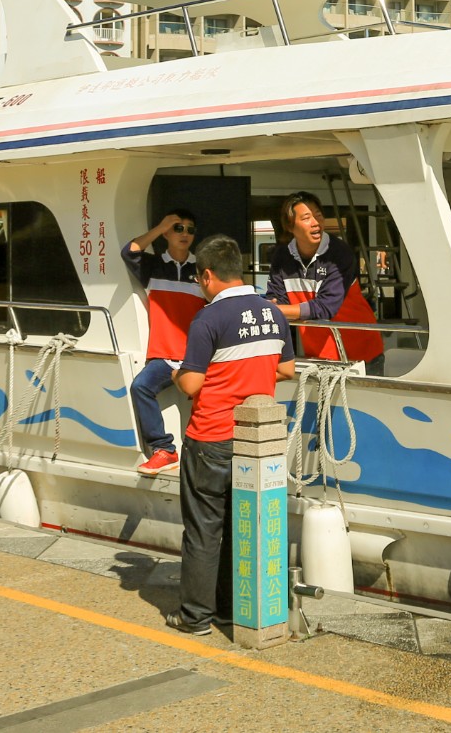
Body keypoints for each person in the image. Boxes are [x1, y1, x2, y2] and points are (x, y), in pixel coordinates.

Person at [168, 234, 293, 636]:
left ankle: (195, 617)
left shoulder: (208, 319)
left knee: (205, 530)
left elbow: (190, 384)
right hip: (254, 442)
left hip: (210, 438)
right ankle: (228, 609)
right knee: (241, 525)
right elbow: (287, 370)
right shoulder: (273, 313)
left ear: (206, 275)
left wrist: (175, 371)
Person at [121, 209, 203, 475]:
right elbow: (129, 252)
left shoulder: (202, 269)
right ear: (167, 233)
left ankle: (207, 455)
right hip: (164, 356)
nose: (185, 234)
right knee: (140, 387)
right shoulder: (153, 266)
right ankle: (164, 449)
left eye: (190, 230)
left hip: (198, 357)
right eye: (178, 228)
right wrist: (160, 226)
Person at [266, 192, 384, 366]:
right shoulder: (282, 257)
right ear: (290, 226)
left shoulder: (339, 254)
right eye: (307, 218)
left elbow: (325, 307)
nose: (316, 223)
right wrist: (275, 308)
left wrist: (277, 311)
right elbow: (275, 299)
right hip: (317, 355)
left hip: (362, 354)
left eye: (319, 216)